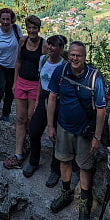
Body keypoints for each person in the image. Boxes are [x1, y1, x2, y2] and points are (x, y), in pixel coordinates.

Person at [46, 41, 106, 220]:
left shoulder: (94, 77)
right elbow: (52, 98)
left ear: (84, 57)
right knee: (64, 160)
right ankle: (65, 192)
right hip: (64, 126)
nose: (74, 58)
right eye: (72, 54)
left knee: (84, 166)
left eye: (78, 55)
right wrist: (50, 125)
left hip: (84, 131)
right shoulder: (61, 72)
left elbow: (101, 110)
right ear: (68, 54)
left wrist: (97, 137)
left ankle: (84, 202)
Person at [22, 34, 67, 186]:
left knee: (55, 136)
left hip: (58, 101)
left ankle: (55, 170)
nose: (50, 47)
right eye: (49, 44)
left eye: (54, 45)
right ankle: (34, 162)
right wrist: (37, 101)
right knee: (34, 131)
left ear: (61, 49)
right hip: (43, 99)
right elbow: (41, 81)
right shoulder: (42, 60)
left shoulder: (64, 66)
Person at [3, 16, 45, 169]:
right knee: (20, 119)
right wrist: (14, 82)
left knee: (31, 118)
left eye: (35, 28)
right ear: (26, 28)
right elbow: (18, 61)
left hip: (35, 85)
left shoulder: (44, 45)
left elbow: (44, 69)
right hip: (21, 82)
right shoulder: (22, 41)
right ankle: (18, 153)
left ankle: (32, 151)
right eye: (29, 28)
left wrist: (41, 90)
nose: (32, 31)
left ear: (38, 29)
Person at [0, 8, 22, 128]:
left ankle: (5, 114)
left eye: (8, 19)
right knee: (0, 89)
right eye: (3, 19)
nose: (6, 22)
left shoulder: (17, 30)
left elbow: (22, 46)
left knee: (10, 90)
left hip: (13, 66)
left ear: (11, 20)